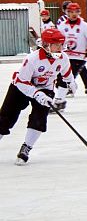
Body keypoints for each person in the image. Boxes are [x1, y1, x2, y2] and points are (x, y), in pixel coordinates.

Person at [0, 28, 75, 164]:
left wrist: (71, 82)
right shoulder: (32, 59)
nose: (60, 48)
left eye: (61, 44)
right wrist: (36, 94)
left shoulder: (63, 58)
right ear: (46, 45)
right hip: (20, 88)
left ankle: (26, 147)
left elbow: (66, 71)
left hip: (45, 88)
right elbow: (22, 82)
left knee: (39, 118)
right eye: (56, 44)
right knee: (5, 118)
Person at [54, 2, 87, 106]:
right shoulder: (62, 25)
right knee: (60, 78)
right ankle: (72, 86)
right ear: (67, 12)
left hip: (79, 57)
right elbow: (58, 40)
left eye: (76, 12)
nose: (73, 14)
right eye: (71, 12)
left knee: (66, 78)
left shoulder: (84, 26)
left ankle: (60, 100)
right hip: (65, 56)